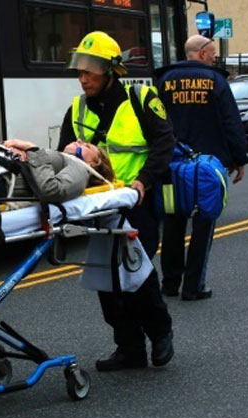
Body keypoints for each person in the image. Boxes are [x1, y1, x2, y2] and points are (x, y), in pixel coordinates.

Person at [59, 31, 175, 371]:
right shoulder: (77, 108)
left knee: (135, 274)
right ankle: (128, 347)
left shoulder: (141, 99)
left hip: (138, 203)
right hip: (100, 207)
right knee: (107, 282)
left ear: (110, 71)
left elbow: (163, 144)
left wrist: (143, 182)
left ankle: (160, 332)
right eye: (79, 71)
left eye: (90, 71)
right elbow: (65, 156)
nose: (83, 78)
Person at [154, 35, 248, 301]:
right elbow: (231, 122)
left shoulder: (164, 81)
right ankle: (193, 286)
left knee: (173, 220)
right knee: (204, 222)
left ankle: (170, 283)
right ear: (204, 53)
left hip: (172, 164)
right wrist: (239, 159)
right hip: (207, 166)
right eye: (213, 52)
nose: (214, 57)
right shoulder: (216, 81)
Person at [3, 138, 114, 201]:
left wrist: (32, 150)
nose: (79, 140)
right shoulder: (64, 159)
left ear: (94, 163)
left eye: (87, 146)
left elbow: (52, 190)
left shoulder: (82, 169)